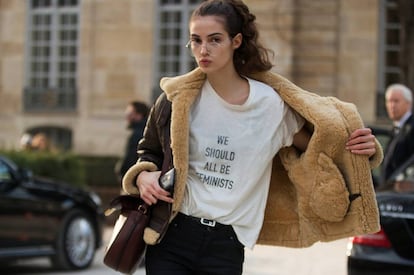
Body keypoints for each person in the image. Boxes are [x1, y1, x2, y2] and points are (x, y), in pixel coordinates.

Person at [122, 1, 383, 274]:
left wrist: (362, 148)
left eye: (214, 40)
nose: (203, 50)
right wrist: (143, 176)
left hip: (226, 245)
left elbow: (321, 151)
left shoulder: (271, 106)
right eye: (196, 40)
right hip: (172, 236)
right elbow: (148, 152)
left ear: (236, 41)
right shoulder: (176, 100)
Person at [380, 83, 414, 184]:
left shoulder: (411, 128)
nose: (392, 105)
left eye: (396, 101)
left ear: (408, 104)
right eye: (389, 101)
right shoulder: (397, 128)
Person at [115, 101, 149, 181]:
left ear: (139, 115)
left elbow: (130, 159)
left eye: (130, 113)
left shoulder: (138, 134)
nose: (127, 116)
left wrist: (122, 172)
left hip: (133, 180)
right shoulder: (146, 131)